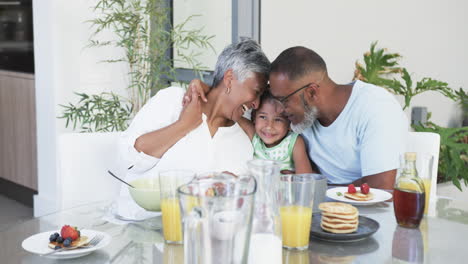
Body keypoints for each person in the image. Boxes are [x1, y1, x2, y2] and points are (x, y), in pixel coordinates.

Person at [186, 46, 408, 190]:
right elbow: (242, 101)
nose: (280, 111)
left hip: (367, 220)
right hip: (310, 212)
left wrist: (315, 188)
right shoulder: (302, 115)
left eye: (283, 101)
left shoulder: (375, 109)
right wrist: (204, 87)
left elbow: (381, 187)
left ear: (311, 92)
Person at [116, 39, 270, 218]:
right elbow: (126, 161)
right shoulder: (173, 101)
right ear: (229, 79)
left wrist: (232, 187)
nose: (256, 103)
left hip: (201, 237)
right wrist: (183, 125)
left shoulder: (245, 139)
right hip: (139, 226)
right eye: (256, 92)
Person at [237, 90, 315, 174]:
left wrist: (289, 178)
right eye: (263, 117)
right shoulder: (255, 136)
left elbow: (305, 177)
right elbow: (234, 115)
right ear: (254, 118)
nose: (269, 126)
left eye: (278, 119)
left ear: (290, 124)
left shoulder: (294, 142)